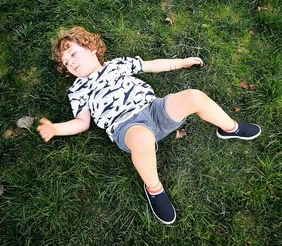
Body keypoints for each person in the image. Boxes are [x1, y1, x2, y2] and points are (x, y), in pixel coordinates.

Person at [37, 26, 261, 225]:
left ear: (92, 48)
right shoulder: (78, 90)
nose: (71, 63)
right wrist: (56, 129)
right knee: (142, 142)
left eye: (74, 54)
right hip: (126, 126)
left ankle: (230, 128)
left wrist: (181, 63)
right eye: (66, 63)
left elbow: (151, 65)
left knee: (194, 96)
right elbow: (82, 122)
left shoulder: (118, 65)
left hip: (154, 109)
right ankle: (154, 189)